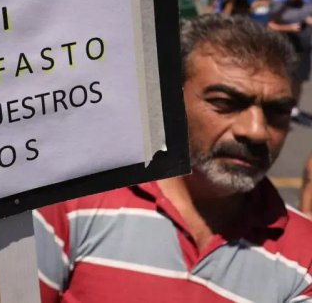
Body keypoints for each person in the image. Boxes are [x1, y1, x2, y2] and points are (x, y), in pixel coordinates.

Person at [34, 15, 312, 302]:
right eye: (225, 103)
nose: (256, 131)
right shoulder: (77, 202)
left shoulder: (304, 259)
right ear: (168, 99)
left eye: (277, 111)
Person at [267, 0, 312, 125]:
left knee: (298, 81)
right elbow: (271, 25)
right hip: (286, 50)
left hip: (303, 51)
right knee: (284, 78)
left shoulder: (308, 6)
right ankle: (278, 105)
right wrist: (288, 28)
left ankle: (294, 109)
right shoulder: (279, 6)